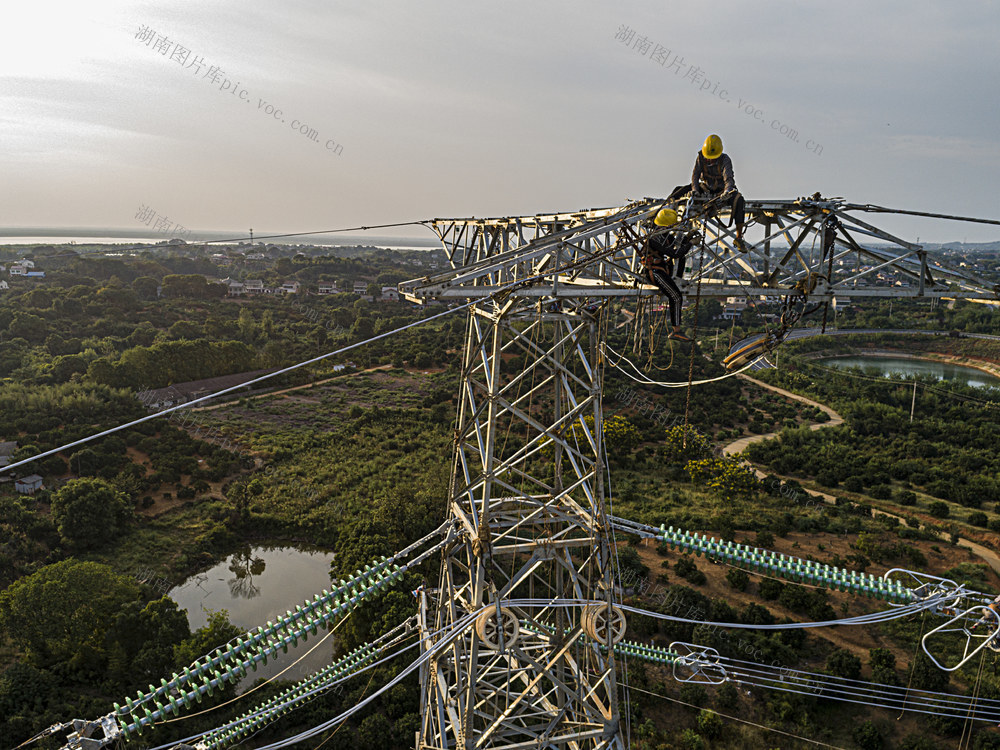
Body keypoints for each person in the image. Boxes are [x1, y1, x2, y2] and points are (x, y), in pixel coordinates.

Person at [670, 134, 748, 252]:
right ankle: (667, 220)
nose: (710, 160)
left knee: (739, 200)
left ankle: (738, 238)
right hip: (705, 187)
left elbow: (729, 179)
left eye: (713, 158)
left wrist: (726, 192)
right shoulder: (700, 157)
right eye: (709, 158)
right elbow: (695, 176)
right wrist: (695, 191)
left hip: (721, 190)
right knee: (678, 190)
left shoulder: (725, 159)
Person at [641, 208, 695, 341]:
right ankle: (676, 331)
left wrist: (687, 239)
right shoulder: (655, 238)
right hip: (654, 271)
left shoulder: (665, 235)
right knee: (676, 296)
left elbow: (676, 248)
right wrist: (691, 244)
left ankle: (676, 330)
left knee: (676, 294)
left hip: (661, 268)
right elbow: (675, 253)